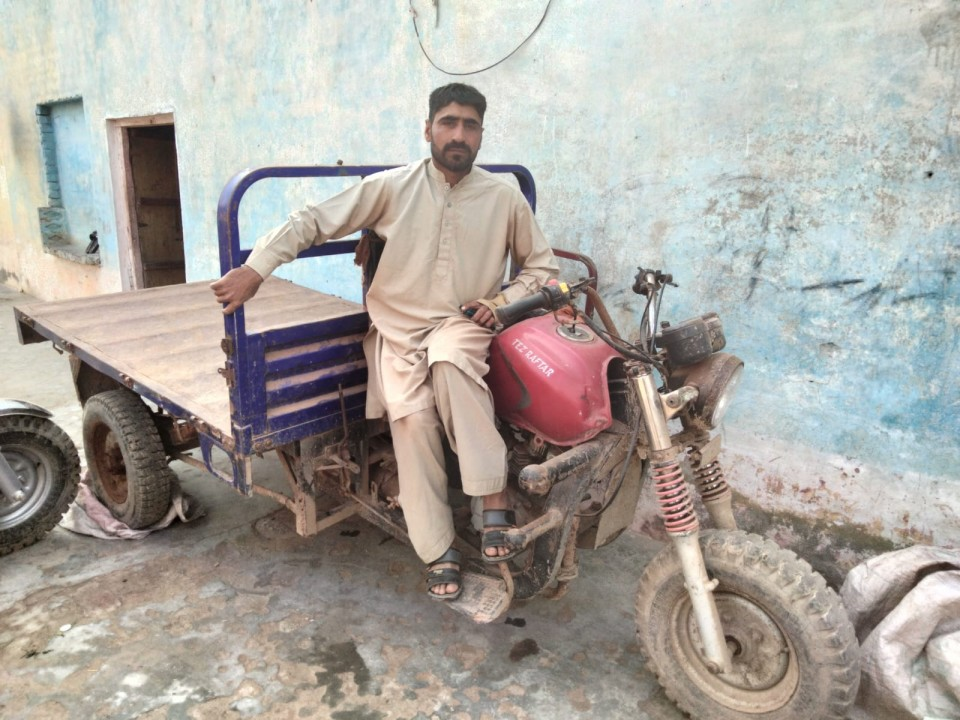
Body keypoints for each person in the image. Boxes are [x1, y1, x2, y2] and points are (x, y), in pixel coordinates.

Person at [211, 83, 558, 601]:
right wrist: (257, 269)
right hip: (396, 332)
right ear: (429, 129)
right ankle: (437, 548)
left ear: (481, 134)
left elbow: (542, 268)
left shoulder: (504, 197)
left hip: (461, 326)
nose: (458, 134)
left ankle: (492, 499)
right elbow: (314, 221)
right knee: (412, 420)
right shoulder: (393, 188)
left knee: (450, 361)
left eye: (469, 125)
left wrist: (504, 302)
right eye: (449, 122)